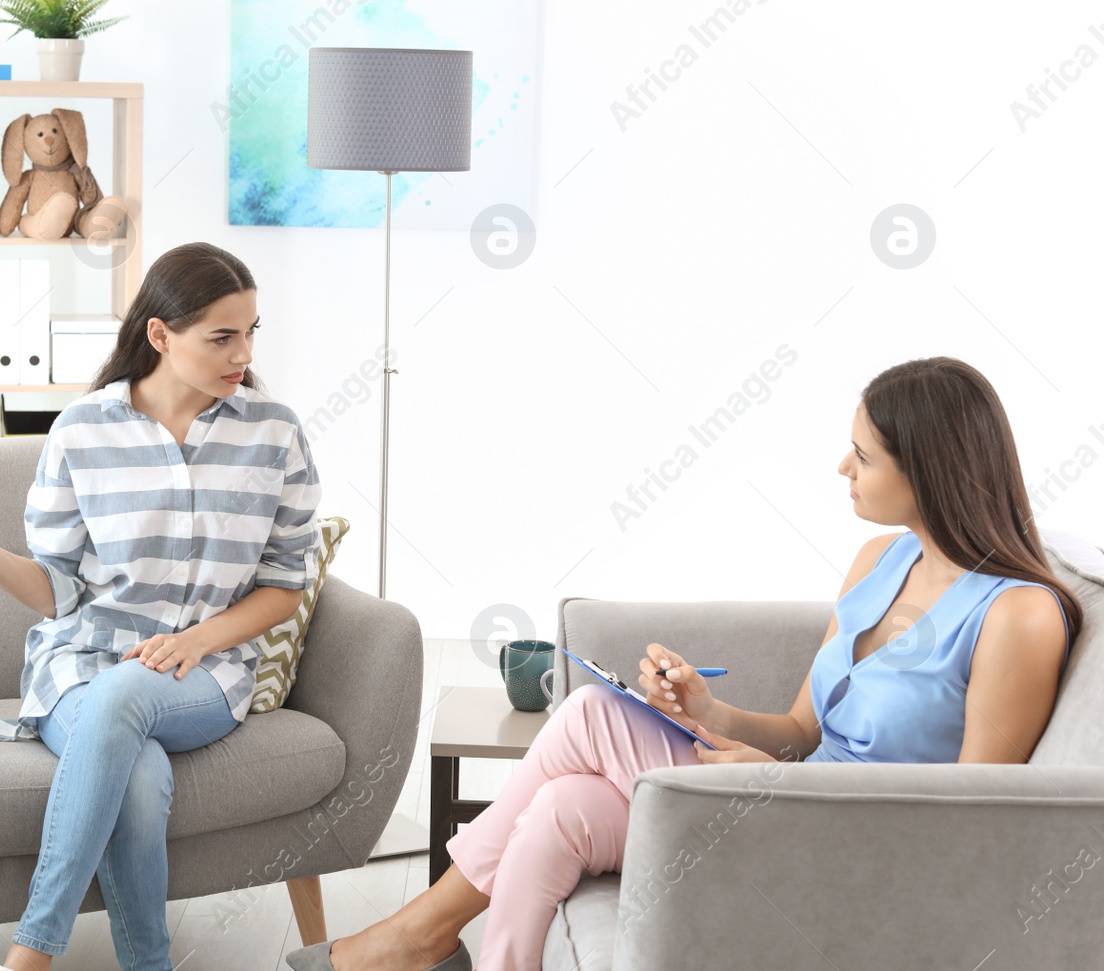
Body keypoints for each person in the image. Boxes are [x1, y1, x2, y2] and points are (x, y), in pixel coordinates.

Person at [288, 356, 1080, 971]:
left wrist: (779, 782)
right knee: (560, 806)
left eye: (861, 455)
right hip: (784, 797)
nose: (843, 469)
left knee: (594, 714)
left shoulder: (1017, 613)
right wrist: (707, 712)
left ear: (930, 469)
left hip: (851, 840)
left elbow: (977, 814)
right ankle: (455, 949)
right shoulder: (880, 559)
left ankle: (418, 931)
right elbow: (802, 730)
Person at [0, 243, 322, 971]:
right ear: (160, 335)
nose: (243, 353)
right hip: (80, 665)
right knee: (136, 769)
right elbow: (61, 590)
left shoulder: (273, 433)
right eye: (222, 336)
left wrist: (200, 639)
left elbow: (283, 583)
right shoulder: (82, 429)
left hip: (206, 672)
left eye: (250, 332)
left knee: (126, 696)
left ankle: (29, 955)